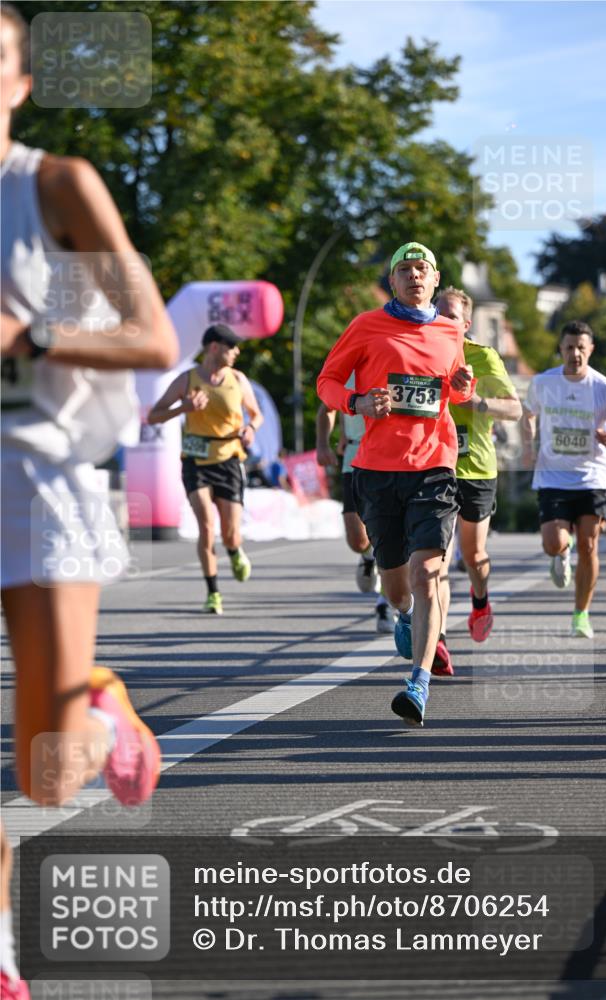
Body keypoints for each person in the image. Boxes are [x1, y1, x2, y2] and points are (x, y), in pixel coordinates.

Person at [0, 6, 179, 998]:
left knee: (49, 775)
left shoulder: (52, 187)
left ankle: (105, 718)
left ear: (20, 84)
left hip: (36, 482)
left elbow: (151, 338)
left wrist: (30, 337)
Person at [317, 241, 475, 726]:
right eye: (404, 268)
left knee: (429, 572)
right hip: (377, 470)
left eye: (421, 268)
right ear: (393, 280)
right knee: (396, 586)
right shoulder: (366, 326)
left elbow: (455, 388)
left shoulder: (451, 331)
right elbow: (327, 381)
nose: (413, 275)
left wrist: (464, 386)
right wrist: (357, 403)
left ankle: (418, 683)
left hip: (433, 466)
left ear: (433, 278)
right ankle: (403, 616)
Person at [522, 320, 606, 639]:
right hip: (552, 475)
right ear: (560, 349)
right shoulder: (543, 383)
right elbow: (527, 412)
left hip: (592, 476)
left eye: (581, 348)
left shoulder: (604, 388)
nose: (575, 354)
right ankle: (561, 552)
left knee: (589, 543)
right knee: (553, 542)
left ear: (591, 350)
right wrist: (528, 435)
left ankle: (581, 614)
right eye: (569, 347)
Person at [433, 287, 521, 675]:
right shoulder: (422, 351)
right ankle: (436, 640)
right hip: (436, 465)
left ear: (466, 324)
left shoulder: (483, 357)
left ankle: (481, 597)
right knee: (437, 559)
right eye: (438, 313)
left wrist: (477, 403)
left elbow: (515, 409)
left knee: (473, 556)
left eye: (451, 315)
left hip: (478, 469)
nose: (443, 320)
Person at [147, 324, 263, 614]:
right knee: (206, 527)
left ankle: (235, 551)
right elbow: (153, 416)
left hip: (229, 459)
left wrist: (250, 429)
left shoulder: (238, 379)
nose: (236, 352)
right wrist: (183, 408)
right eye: (231, 346)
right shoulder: (186, 380)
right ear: (214, 347)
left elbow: (256, 415)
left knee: (230, 533)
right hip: (196, 460)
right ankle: (213, 592)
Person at [316, 396, 396, 634]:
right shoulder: (348, 363)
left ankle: (385, 605)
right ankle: (368, 556)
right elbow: (327, 407)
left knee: (388, 536)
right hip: (354, 455)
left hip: (388, 457)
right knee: (357, 539)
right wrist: (323, 443)